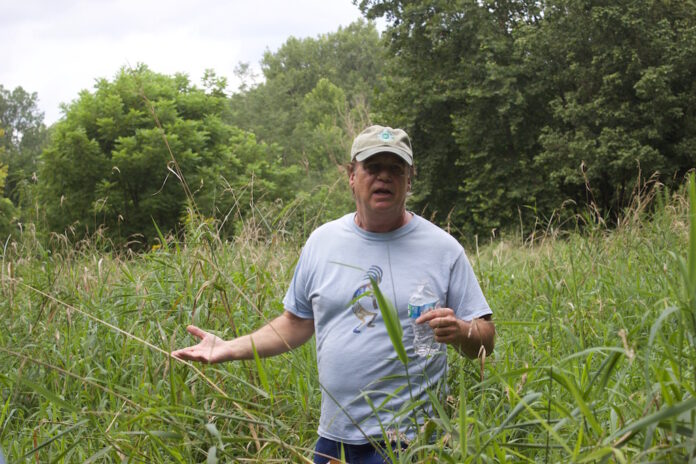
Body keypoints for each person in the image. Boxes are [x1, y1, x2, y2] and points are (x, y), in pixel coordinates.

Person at [172, 125, 495, 463]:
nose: (384, 177)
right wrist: (229, 347)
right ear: (351, 175)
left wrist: (461, 331)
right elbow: (294, 324)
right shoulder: (322, 242)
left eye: (395, 169)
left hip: (413, 441)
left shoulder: (443, 249)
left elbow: (487, 340)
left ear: (410, 179)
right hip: (334, 440)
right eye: (372, 168)